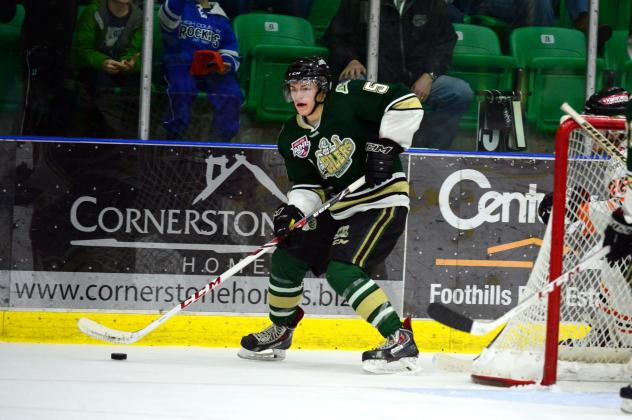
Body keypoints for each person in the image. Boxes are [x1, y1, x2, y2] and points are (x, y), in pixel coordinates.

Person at [237, 56, 423, 373]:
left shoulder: (350, 94)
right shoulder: (290, 137)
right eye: (293, 88)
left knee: (342, 271)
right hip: (339, 208)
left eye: (305, 87)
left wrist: (389, 145)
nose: (298, 95)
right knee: (286, 253)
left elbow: (406, 100)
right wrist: (294, 209)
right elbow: (309, 185)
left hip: (380, 200)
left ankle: (399, 338)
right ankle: (280, 330)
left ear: (322, 88)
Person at [324, 0, 473, 150]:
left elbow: (444, 43)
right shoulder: (361, 3)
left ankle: (430, 151)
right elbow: (338, 36)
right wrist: (351, 60)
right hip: (374, 81)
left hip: (416, 81)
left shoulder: (430, 4)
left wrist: (430, 74)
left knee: (459, 92)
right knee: (351, 84)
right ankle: (358, 151)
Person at [158, 0, 242, 141]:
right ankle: (173, 138)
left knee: (232, 93)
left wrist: (225, 63)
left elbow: (230, 48)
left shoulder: (220, 17)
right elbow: (166, 20)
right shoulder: (179, 6)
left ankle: (219, 144)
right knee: (182, 88)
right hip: (180, 64)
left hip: (210, 69)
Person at [74, 0, 143, 139]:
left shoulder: (139, 17)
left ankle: (130, 139)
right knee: (100, 84)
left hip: (121, 69)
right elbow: (82, 49)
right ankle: (98, 138)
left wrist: (129, 63)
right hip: (94, 67)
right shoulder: (94, 11)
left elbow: (137, 52)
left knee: (139, 85)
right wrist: (102, 62)